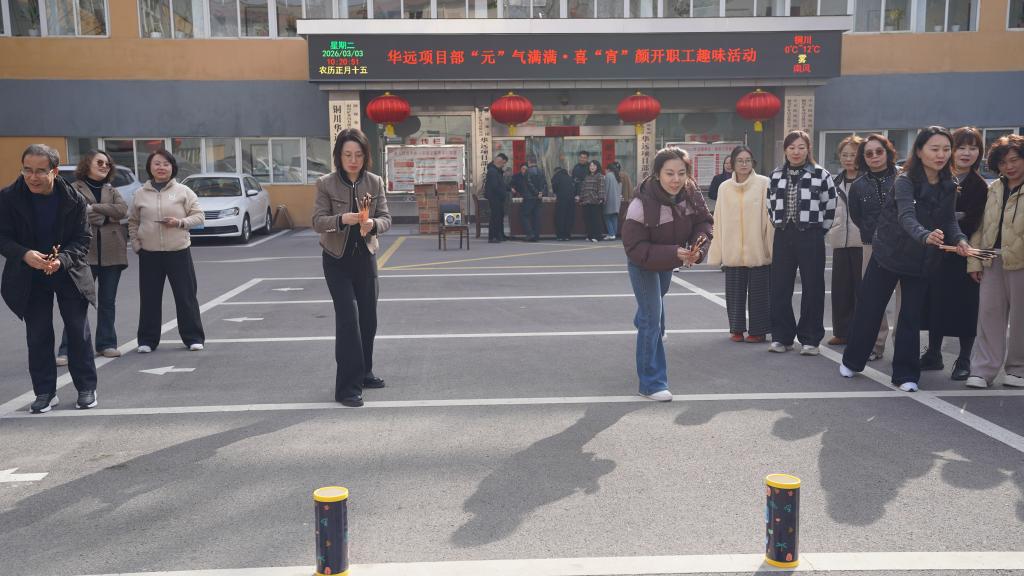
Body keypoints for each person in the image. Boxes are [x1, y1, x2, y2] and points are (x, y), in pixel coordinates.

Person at [841, 126, 972, 392]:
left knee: (910, 317)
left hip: (922, 261)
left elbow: (949, 220)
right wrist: (925, 235)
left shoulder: (949, 184)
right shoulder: (905, 181)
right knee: (869, 309)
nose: (941, 155)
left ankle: (905, 374)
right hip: (888, 254)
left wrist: (960, 240)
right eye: (935, 149)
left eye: (946, 149)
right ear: (920, 151)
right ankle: (852, 361)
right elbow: (905, 217)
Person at [0, 144, 98, 413]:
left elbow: (83, 239)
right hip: (29, 275)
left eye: (40, 171)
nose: (32, 177)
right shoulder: (8, 197)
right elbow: (2, 237)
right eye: (27, 170)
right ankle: (44, 393)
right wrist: (24, 254)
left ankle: (86, 388)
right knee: (38, 335)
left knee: (77, 332)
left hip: (69, 272)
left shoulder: (75, 199)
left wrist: (61, 260)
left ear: (54, 171)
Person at [623, 147, 713, 401]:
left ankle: (644, 318)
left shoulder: (691, 193)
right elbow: (634, 247)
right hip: (642, 263)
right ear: (657, 174)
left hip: (669, 260)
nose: (676, 179)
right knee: (652, 319)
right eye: (669, 173)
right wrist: (675, 252)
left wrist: (698, 249)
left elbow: (704, 223)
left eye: (681, 173)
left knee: (652, 311)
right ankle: (651, 384)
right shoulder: (641, 203)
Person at [312, 128, 392, 407]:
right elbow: (317, 221)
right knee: (349, 320)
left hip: (365, 258)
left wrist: (373, 225)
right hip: (337, 260)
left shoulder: (375, 182)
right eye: (348, 155)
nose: (353, 160)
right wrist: (342, 219)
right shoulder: (326, 183)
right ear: (338, 156)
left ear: (366, 156)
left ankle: (365, 372)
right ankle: (347, 388)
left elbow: (386, 218)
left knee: (368, 320)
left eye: (358, 155)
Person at [920, 127, 988, 380]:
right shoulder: (938, 177)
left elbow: (973, 221)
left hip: (965, 253)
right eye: (961, 147)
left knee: (966, 308)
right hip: (936, 251)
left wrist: (950, 220)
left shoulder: (979, 185)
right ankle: (933, 354)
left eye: (973, 148)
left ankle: (964, 359)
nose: (967, 153)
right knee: (935, 304)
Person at [128, 149, 206, 354]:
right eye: (157, 164)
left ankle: (193, 337)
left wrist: (180, 222)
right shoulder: (140, 194)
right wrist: (136, 244)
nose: (161, 167)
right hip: (149, 253)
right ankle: (147, 340)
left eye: (165, 164)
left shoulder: (183, 191)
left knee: (185, 296)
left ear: (172, 167)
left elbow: (199, 216)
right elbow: (133, 221)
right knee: (149, 298)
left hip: (178, 251)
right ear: (149, 167)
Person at [767, 130, 837, 355]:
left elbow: (830, 205)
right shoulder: (776, 174)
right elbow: (769, 203)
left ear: (808, 150)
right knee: (780, 287)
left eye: (801, 147)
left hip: (811, 234)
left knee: (813, 287)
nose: (796, 152)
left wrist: (821, 230)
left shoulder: (821, 174)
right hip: (783, 233)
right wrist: (778, 222)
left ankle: (810, 339)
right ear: (785, 150)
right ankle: (782, 337)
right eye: (791, 148)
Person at [56, 150, 128, 365]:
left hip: (112, 253)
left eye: (107, 163)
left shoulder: (111, 189)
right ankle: (68, 349)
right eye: (100, 162)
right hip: (83, 255)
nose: (105, 166)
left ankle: (106, 344)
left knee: (108, 302)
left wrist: (94, 209)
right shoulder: (73, 188)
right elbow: (70, 213)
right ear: (87, 164)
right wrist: (105, 215)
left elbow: (122, 210)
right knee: (77, 304)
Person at [964, 134, 1024, 389]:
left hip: (1021, 262)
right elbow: (980, 227)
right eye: (1002, 162)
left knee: (1021, 319)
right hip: (992, 259)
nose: (1009, 166)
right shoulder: (994, 189)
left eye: (1014, 159)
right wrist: (975, 261)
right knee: (988, 316)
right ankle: (982, 370)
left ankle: (1018, 369)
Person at [707, 146, 774, 343]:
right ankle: (736, 328)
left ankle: (758, 330)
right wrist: (718, 250)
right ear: (732, 164)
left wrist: (771, 248)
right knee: (735, 291)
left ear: (753, 163)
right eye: (739, 161)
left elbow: (770, 220)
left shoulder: (764, 183)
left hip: (758, 248)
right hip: (733, 249)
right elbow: (718, 219)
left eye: (747, 160)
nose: (744, 164)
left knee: (760, 293)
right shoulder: (724, 187)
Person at [848, 134, 901, 360]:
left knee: (905, 298)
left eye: (879, 151)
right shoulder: (857, 186)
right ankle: (876, 344)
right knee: (872, 298)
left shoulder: (904, 178)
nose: (875, 157)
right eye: (869, 153)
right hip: (872, 245)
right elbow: (856, 216)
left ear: (887, 153)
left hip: (904, 244)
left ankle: (902, 345)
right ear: (863, 158)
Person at [827, 135, 864, 346]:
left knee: (862, 290)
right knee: (841, 290)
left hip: (863, 242)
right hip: (840, 241)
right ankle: (841, 332)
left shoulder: (867, 180)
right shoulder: (834, 181)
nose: (849, 159)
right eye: (845, 155)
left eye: (853, 155)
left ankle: (860, 333)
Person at [511, 162, 540, 242]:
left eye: (526, 169)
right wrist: (512, 189)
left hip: (530, 198)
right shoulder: (516, 176)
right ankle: (532, 235)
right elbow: (511, 185)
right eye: (523, 169)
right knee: (526, 215)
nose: (524, 171)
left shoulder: (532, 176)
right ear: (520, 169)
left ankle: (532, 235)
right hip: (522, 196)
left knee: (531, 216)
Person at [579, 160, 605, 242]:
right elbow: (583, 188)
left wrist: (600, 198)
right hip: (586, 200)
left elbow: (601, 187)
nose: (592, 167)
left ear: (597, 167)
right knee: (588, 219)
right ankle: (590, 235)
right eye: (590, 166)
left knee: (596, 220)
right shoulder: (587, 176)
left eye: (594, 166)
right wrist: (581, 198)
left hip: (595, 201)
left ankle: (597, 236)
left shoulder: (599, 176)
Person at [485, 153, 508, 243]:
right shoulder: (492, 171)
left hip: (498, 197)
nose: (504, 165)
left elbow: (501, 184)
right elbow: (495, 186)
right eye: (504, 163)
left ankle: (499, 235)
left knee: (499, 216)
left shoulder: (497, 171)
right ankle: (493, 236)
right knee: (495, 217)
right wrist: (502, 193)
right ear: (499, 161)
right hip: (495, 198)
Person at [551, 165, 575, 240]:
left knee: (560, 217)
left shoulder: (556, 176)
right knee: (569, 217)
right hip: (571, 200)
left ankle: (560, 235)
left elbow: (554, 187)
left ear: (556, 171)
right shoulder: (569, 177)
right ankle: (567, 235)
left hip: (561, 199)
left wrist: (556, 193)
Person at [603, 161, 623, 240]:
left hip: (609, 200)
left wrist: (604, 199)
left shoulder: (608, 176)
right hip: (617, 201)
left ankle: (611, 234)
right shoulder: (618, 176)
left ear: (608, 169)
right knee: (614, 217)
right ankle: (613, 233)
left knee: (607, 217)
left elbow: (606, 188)